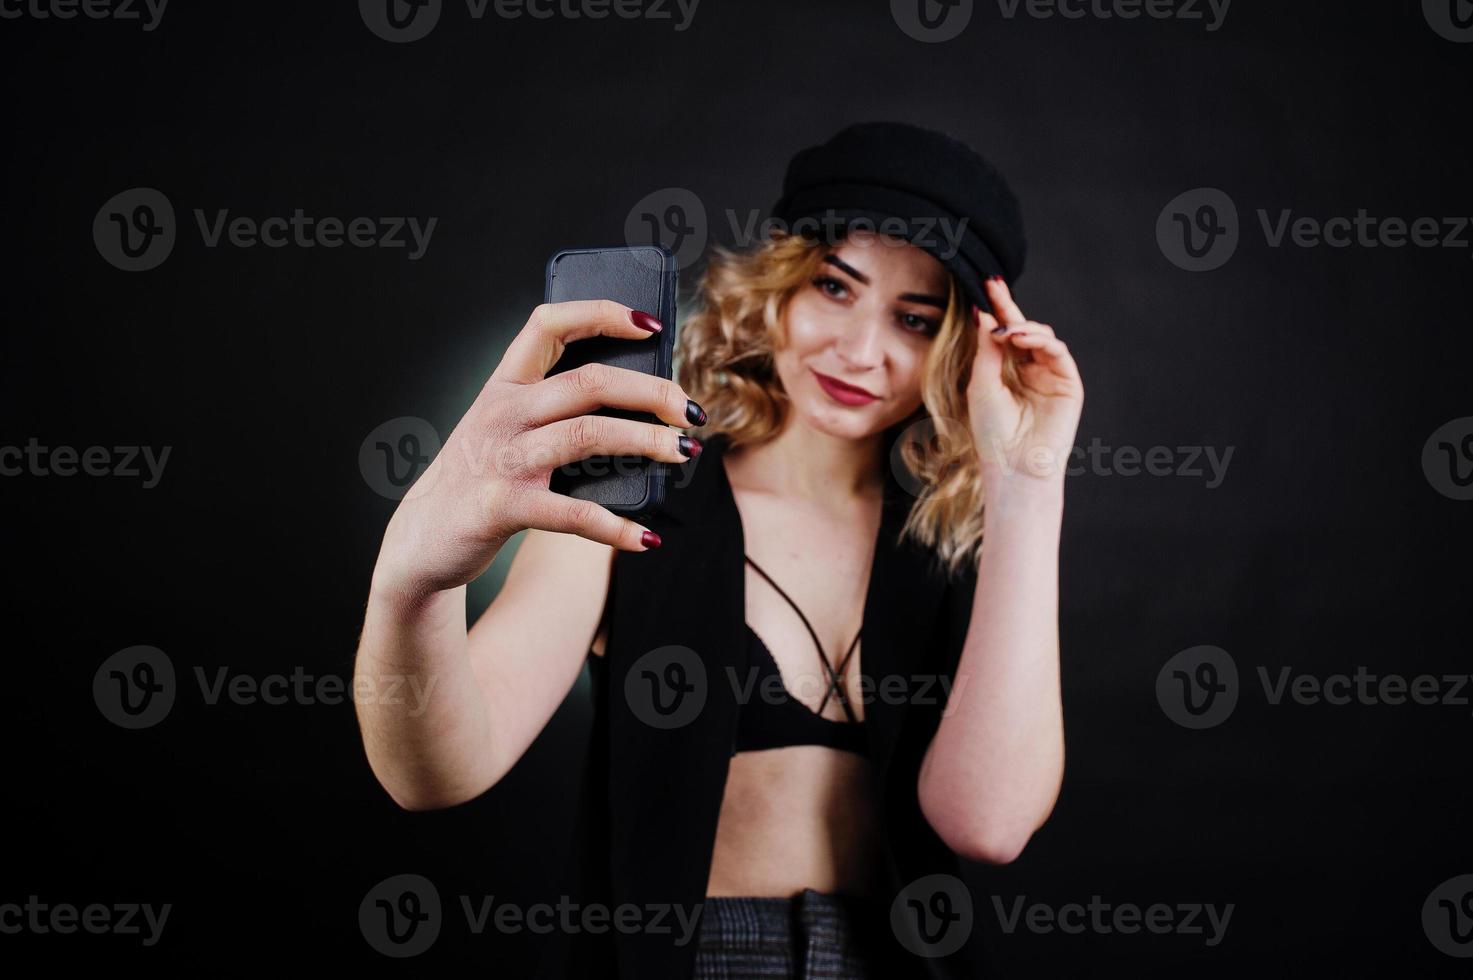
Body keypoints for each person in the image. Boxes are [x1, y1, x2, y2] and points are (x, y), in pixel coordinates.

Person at [353, 121, 1082, 978]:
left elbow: (986, 826)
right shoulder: (634, 489)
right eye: (834, 287)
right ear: (776, 285)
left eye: (915, 320)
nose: (859, 350)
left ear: (960, 349)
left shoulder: (952, 540)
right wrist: (411, 582)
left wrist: (1029, 486)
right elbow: (439, 770)